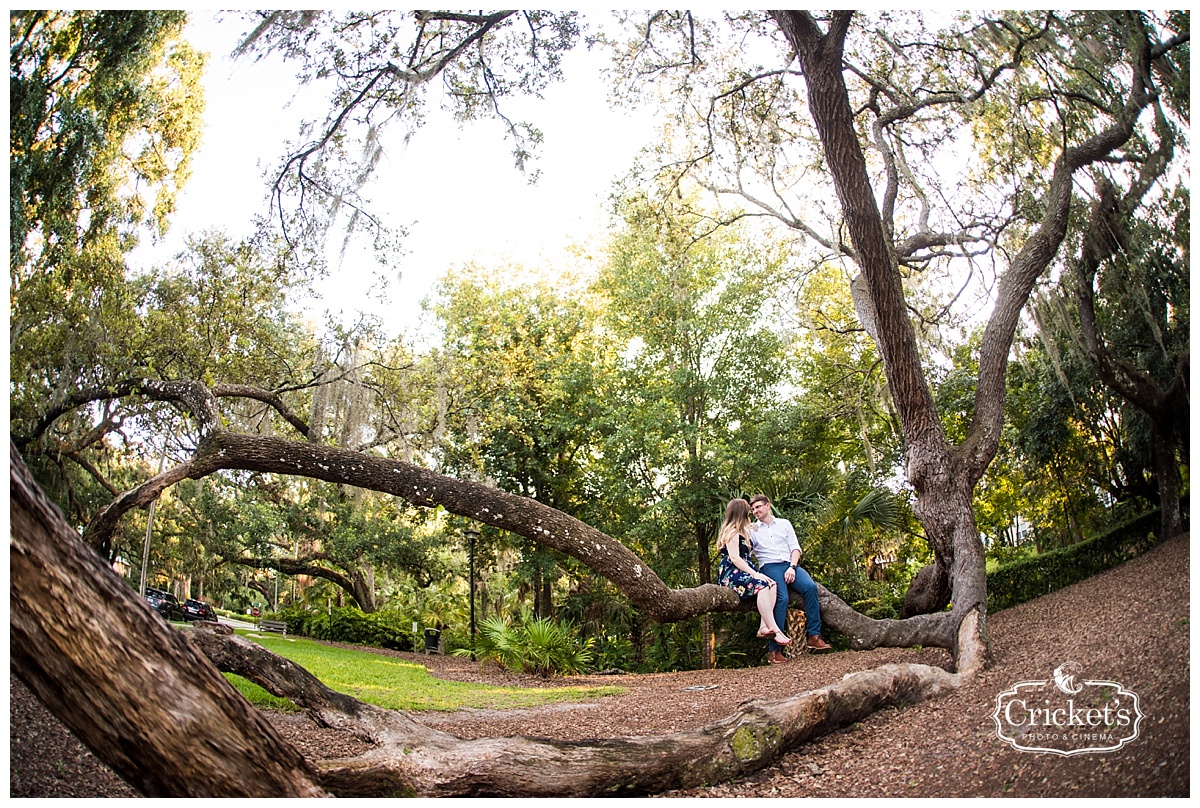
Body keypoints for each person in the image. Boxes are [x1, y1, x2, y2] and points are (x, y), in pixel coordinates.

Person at [748, 493, 832, 664]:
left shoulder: (784, 524)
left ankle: (814, 635)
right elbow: (745, 552)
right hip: (769, 566)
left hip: (789, 564)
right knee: (782, 598)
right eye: (753, 509)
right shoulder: (753, 530)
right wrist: (746, 530)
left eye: (758, 507)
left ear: (767, 506)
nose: (755, 511)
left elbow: (795, 548)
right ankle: (775, 651)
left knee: (810, 587)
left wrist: (792, 567)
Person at [715, 498, 792, 649]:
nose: (750, 513)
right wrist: (755, 574)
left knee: (772, 584)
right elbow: (735, 558)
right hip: (732, 572)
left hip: (745, 569)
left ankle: (764, 627)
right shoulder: (731, 532)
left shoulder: (743, 530)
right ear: (741, 512)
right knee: (762, 585)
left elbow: (750, 527)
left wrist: (751, 527)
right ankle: (775, 629)